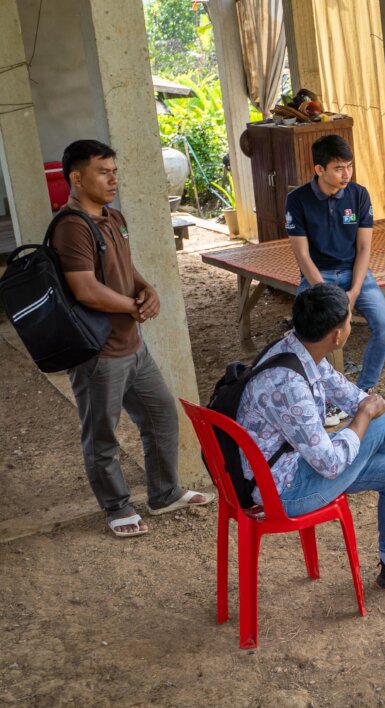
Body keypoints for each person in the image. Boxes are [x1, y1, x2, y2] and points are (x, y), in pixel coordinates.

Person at [236, 284, 385, 589]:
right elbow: (331, 464)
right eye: (350, 320)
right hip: (283, 492)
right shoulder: (289, 385)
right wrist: (366, 416)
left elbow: (350, 395)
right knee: (382, 422)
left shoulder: (296, 348)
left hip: (288, 467)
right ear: (337, 335)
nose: (350, 325)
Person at [51, 139, 211, 538]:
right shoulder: (72, 226)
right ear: (76, 178)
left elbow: (124, 265)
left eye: (114, 172)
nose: (112, 179)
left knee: (160, 415)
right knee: (102, 434)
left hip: (133, 346)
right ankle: (117, 507)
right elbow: (85, 289)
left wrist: (146, 289)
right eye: (102, 172)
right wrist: (131, 306)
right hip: (99, 351)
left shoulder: (114, 217)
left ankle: (164, 493)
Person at [285, 134, 385, 401]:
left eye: (349, 166)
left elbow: (364, 248)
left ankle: (363, 390)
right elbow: (301, 254)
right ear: (319, 169)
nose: (346, 174)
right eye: (338, 168)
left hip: (355, 274)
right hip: (316, 278)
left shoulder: (359, 195)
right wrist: (327, 294)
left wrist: (354, 291)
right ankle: (322, 394)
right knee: (305, 336)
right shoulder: (297, 199)